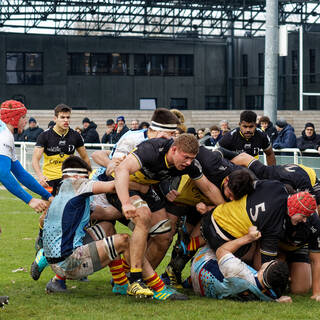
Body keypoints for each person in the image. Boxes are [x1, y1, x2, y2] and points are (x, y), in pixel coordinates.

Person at [43, 156, 187, 300]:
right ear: (75, 176)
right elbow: (114, 186)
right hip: (69, 263)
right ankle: (158, 287)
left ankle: (120, 284)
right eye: (86, 177)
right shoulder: (78, 184)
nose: (88, 180)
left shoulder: (60, 190)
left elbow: (105, 215)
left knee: (107, 228)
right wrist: (142, 187)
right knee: (125, 240)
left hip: (55, 260)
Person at [114, 134, 225, 294]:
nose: (188, 162)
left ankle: (142, 280)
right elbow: (121, 169)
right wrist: (125, 202)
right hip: (122, 185)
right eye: (185, 157)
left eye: (191, 158)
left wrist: (227, 208)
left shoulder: (190, 164)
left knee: (165, 236)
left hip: (146, 190)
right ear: (173, 149)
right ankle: (134, 280)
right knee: (143, 215)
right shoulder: (152, 149)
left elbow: (207, 188)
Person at [0, 99, 53, 305]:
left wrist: (47, 195)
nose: (25, 121)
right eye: (23, 117)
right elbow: (3, 174)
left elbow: (20, 173)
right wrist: (30, 200)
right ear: (14, 118)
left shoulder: (5, 134)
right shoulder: (4, 135)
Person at [30, 104, 91, 280]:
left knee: (74, 219)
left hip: (70, 182)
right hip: (50, 182)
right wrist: (40, 175)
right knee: (48, 216)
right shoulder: (45, 136)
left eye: (68, 117)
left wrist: (87, 175)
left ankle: (73, 258)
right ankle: (42, 236)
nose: (66, 120)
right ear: (55, 117)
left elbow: (85, 158)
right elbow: (35, 159)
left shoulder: (75, 136)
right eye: (62, 117)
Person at [201, 180, 316, 265]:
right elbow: (266, 262)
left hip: (211, 217)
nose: (305, 220)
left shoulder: (276, 185)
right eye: (303, 216)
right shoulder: (275, 223)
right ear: (294, 210)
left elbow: (248, 184)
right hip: (222, 239)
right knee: (258, 245)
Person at [191, 227, 291, 302]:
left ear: (265, 270)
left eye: (271, 262)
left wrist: (249, 237)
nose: (269, 261)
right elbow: (275, 296)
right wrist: (278, 300)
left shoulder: (238, 271)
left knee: (238, 235)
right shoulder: (267, 294)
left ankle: (189, 245)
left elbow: (221, 250)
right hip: (203, 289)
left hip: (200, 265)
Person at [230, 151, 320, 207]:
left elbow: (244, 156)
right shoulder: (264, 176)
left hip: (307, 176)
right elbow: (244, 156)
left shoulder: (262, 171)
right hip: (290, 175)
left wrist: (227, 164)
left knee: (312, 204)